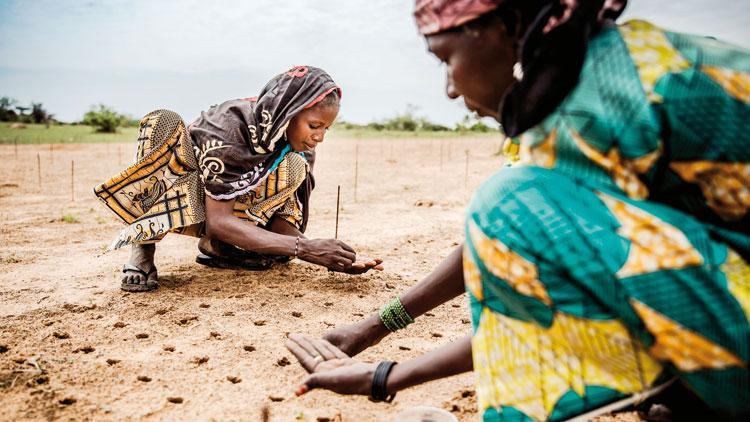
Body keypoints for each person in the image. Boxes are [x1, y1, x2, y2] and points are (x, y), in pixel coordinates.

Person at [285, 1, 750, 420]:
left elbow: (529, 284)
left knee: (505, 202)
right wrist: (375, 335)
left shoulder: (595, 106)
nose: (448, 89)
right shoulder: (600, 73)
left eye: (446, 59)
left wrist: (385, 376)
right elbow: (508, 255)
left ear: (508, 26)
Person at [94, 66, 383, 292]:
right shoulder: (230, 131)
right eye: (314, 125)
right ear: (288, 113)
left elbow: (280, 221)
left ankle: (218, 247)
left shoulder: (293, 147)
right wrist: (306, 249)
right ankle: (143, 248)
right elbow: (220, 220)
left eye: (326, 129)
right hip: (184, 196)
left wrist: (329, 257)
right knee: (162, 122)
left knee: (296, 165)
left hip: (226, 211)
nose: (319, 136)